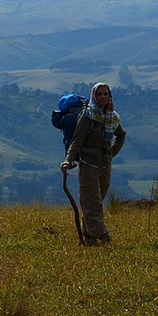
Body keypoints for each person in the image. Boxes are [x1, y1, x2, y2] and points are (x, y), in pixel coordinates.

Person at [60, 82, 126, 245]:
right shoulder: (87, 115)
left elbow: (122, 135)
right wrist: (68, 160)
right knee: (94, 203)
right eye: (99, 94)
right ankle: (102, 236)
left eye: (106, 94)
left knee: (95, 200)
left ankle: (88, 235)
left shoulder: (113, 116)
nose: (103, 97)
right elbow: (77, 140)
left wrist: (111, 153)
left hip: (105, 165)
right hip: (88, 163)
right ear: (94, 96)